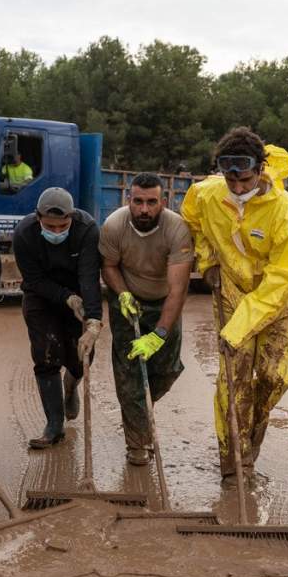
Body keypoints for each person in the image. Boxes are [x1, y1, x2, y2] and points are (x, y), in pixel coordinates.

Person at [180, 127, 288, 478]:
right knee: (233, 379)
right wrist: (206, 261)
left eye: (245, 181)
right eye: (231, 181)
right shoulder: (206, 194)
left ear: (261, 169)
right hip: (232, 288)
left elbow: (281, 278)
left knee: (270, 376)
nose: (237, 188)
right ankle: (233, 458)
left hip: (281, 298)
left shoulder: (286, 213)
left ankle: (253, 434)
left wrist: (238, 328)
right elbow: (191, 220)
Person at [99, 173, 193, 465]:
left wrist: (160, 334)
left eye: (151, 202)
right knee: (129, 376)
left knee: (166, 370)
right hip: (128, 302)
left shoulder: (176, 229)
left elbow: (178, 290)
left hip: (164, 301)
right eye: (138, 201)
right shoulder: (114, 225)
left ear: (163, 202)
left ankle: (140, 409)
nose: (144, 209)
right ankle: (138, 442)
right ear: (129, 199)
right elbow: (109, 266)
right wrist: (123, 294)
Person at [13, 187, 103, 448]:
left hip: (79, 295)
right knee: (46, 354)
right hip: (41, 297)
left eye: (61, 226)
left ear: (72, 218)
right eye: (49, 226)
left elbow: (89, 276)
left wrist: (94, 322)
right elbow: (34, 279)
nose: (55, 232)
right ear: (38, 217)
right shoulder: (24, 234)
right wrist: (65, 298)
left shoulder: (87, 230)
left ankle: (71, 385)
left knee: (81, 356)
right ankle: (54, 425)